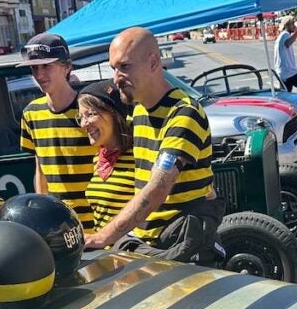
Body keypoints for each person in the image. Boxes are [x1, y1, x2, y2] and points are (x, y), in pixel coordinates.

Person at [85, 27, 223, 263]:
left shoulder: (183, 113)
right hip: (147, 243)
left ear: (153, 63)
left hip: (179, 248)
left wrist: (104, 236)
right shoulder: (138, 109)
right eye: (113, 68)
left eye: (125, 67)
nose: (116, 78)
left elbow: (158, 186)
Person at [17, 33, 97, 233]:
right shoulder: (31, 114)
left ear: (67, 67)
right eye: (34, 67)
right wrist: (42, 214)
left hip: (97, 220)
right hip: (59, 224)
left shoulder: (90, 109)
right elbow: (40, 168)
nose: (39, 74)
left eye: (46, 66)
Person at [76, 80, 135, 233]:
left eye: (90, 114)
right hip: (108, 253)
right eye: (80, 117)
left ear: (113, 114)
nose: (84, 124)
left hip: (134, 252)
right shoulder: (98, 159)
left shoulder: (139, 156)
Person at [274, 16, 297, 92]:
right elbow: (288, 43)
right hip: (289, 73)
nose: (294, 26)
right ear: (286, 25)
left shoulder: (282, 36)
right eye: (292, 23)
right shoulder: (285, 34)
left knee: (286, 96)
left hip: (284, 73)